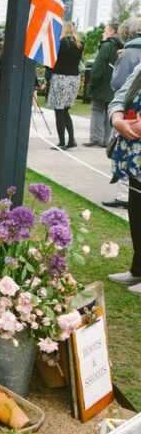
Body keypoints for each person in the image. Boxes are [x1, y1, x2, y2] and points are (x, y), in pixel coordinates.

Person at [106, 62, 141, 294]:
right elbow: (120, 95)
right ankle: (137, 269)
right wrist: (117, 118)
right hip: (135, 153)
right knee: (136, 208)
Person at [104, 17, 141, 210]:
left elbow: (117, 84)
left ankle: (122, 195)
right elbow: (121, 94)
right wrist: (117, 118)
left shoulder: (127, 52)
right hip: (135, 160)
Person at [85, 23, 122, 148]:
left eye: (105, 30)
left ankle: (96, 138)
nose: (103, 33)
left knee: (97, 110)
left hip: (102, 84)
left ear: (112, 31)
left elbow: (98, 67)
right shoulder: (121, 46)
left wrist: (92, 83)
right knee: (108, 112)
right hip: (114, 84)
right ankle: (106, 139)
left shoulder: (107, 46)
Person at [47, 22, 83, 150]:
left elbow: (53, 60)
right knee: (65, 110)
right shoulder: (79, 44)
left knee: (59, 110)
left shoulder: (61, 43)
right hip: (74, 79)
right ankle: (71, 139)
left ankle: (62, 142)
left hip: (61, 78)